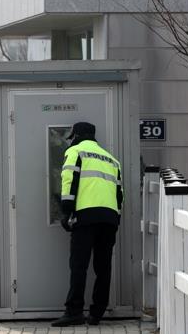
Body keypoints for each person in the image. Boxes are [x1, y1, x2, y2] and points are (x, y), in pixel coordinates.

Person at [52, 122, 123, 327]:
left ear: (78, 135)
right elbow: (120, 194)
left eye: (72, 136)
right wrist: (115, 218)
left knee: (79, 265)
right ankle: (96, 314)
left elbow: (69, 179)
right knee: (103, 267)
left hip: (86, 216)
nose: (71, 139)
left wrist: (66, 211)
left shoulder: (76, 151)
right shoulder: (111, 159)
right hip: (109, 219)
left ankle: (74, 311)